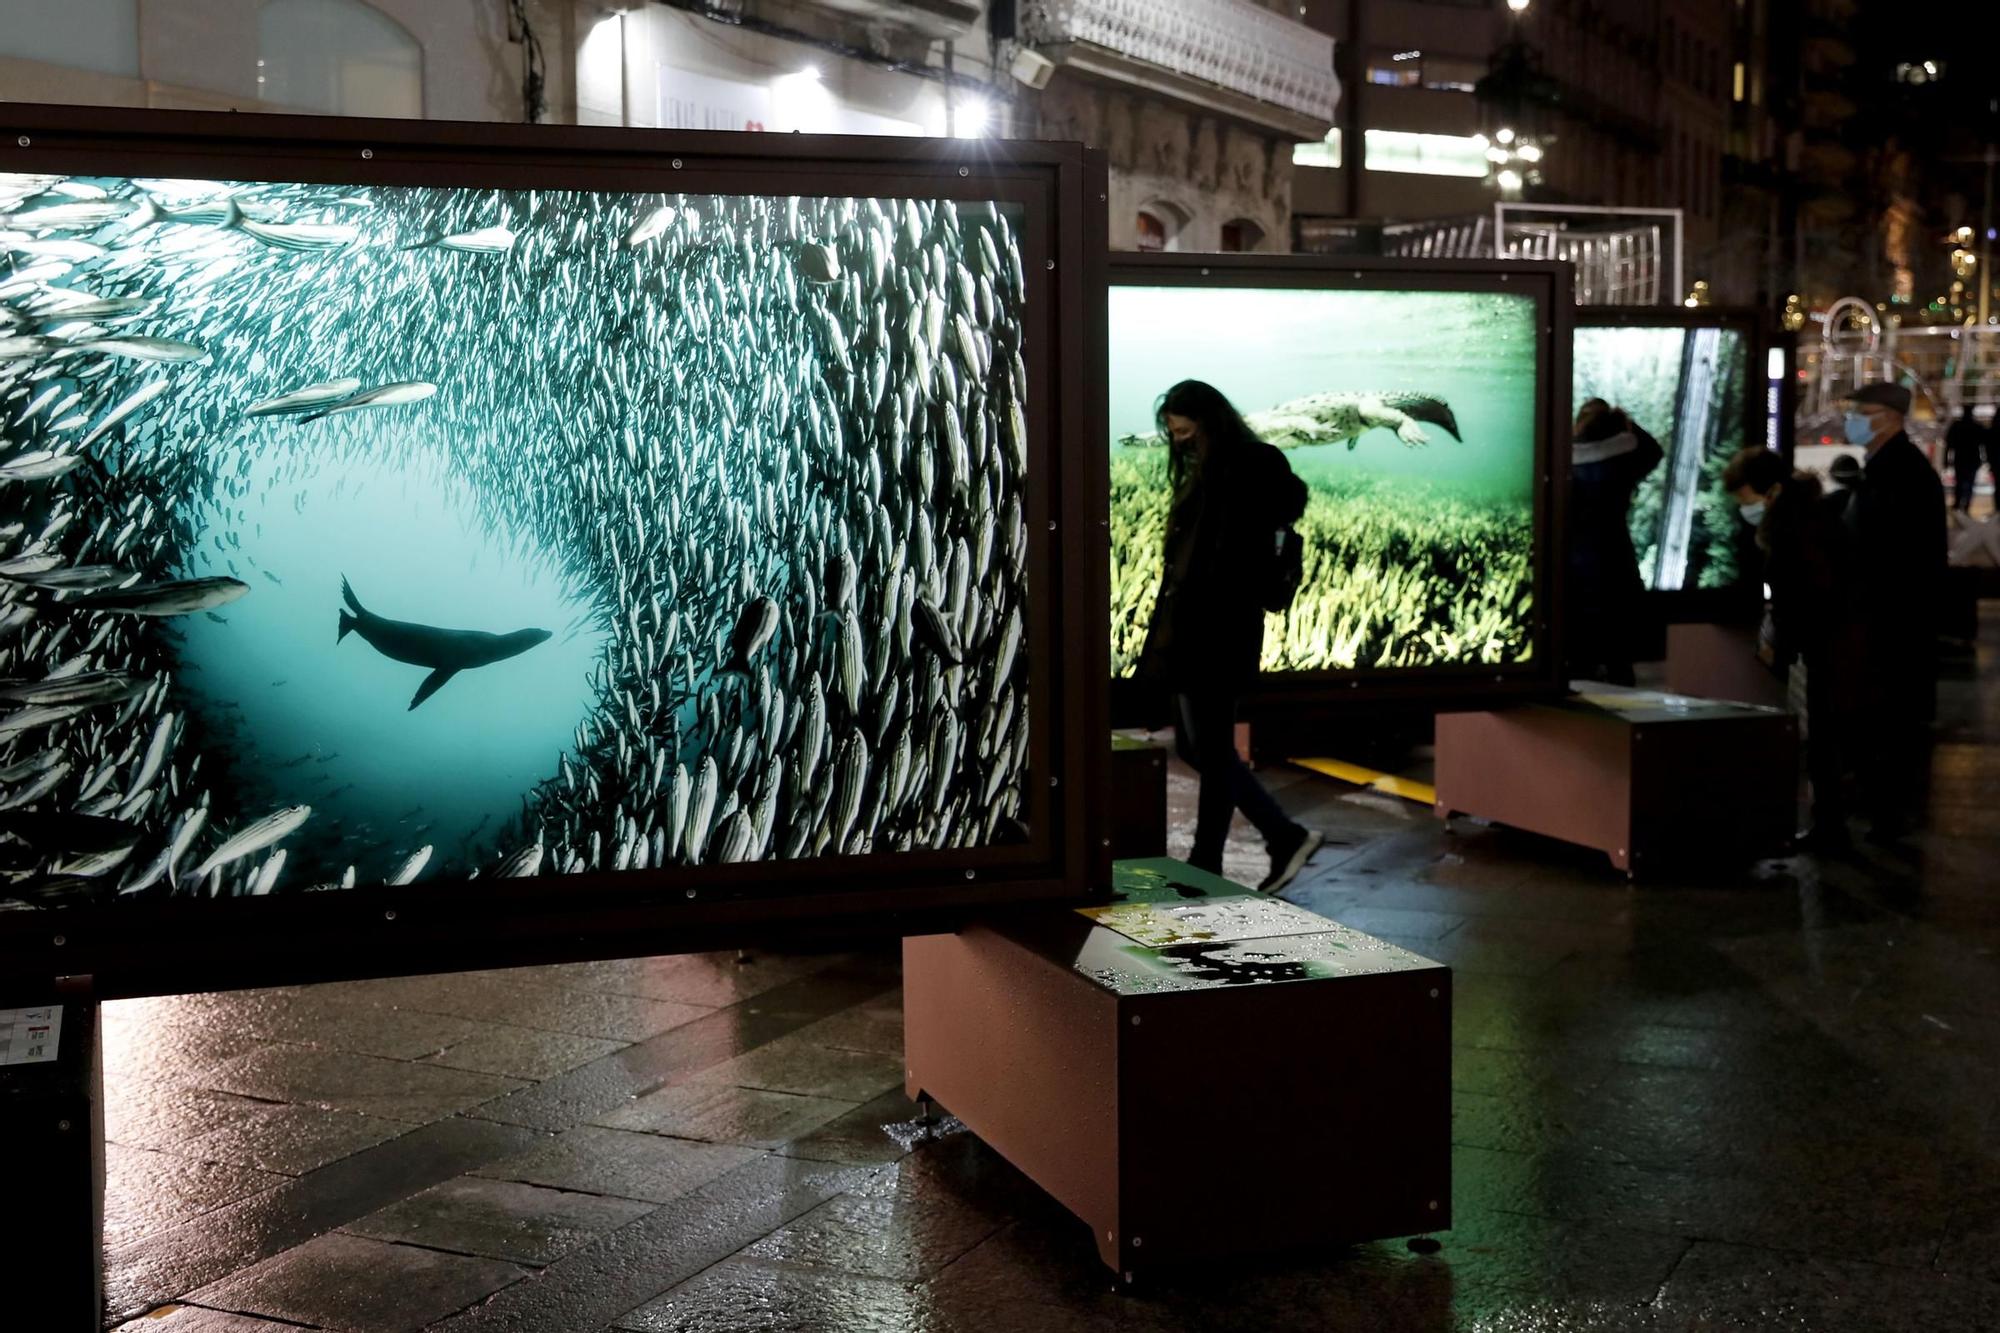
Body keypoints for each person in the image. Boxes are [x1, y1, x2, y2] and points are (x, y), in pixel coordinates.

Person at [1136, 380, 1323, 892]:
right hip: (1202, 629)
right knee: (1203, 750)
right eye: (1172, 430)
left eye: (1182, 427)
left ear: (1207, 419)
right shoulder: (1219, 465)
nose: (1177, 439)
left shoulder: (1246, 463)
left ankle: (1276, 837)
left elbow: (1263, 527)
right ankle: (1222, 857)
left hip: (1215, 630)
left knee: (1210, 749)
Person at [1723, 446, 1853, 844]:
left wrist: (1781, 647)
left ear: (1772, 491)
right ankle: (1830, 821)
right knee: (1825, 733)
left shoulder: (1795, 529)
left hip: (1825, 644)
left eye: (1748, 500)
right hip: (1830, 642)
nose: (1746, 510)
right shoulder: (1807, 515)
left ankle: (1830, 826)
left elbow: (1804, 595)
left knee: (1824, 735)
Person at [1838, 382, 1947, 840]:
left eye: (1863, 412)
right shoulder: (1889, 466)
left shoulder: (1899, 472)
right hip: (1893, 618)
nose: (1854, 421)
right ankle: (1884, 807)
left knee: (1889, 721)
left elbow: (1886, 552)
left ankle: (1888, 813)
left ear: (1889, 418)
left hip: (1891, 620)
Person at [1565, 399, 1664, 685]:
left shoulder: (1564, 458)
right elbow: (1654, 450)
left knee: (1580, 644)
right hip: (1615, 553)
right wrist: (1627, 421)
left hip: (1574, 558)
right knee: (1618, 644)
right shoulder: (1625, 460)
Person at [1945, 404, 1988, 513]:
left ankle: (1958, 506)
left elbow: (1949, 445)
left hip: (1960, 459)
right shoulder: (1977, 426)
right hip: (1972, 460)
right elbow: (1985, 444)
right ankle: (1965, 507)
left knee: (1960, 482)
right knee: (1969, 483)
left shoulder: (1957, 426)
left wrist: (1945, 460)